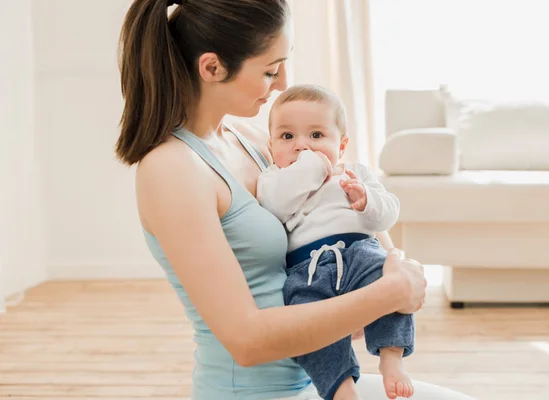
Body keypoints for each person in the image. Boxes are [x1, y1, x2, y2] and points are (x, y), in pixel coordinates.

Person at [116, 1, 475, 399]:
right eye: (270, 69)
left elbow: (336, 203)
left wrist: (385, 269)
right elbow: (247, 341)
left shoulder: (249, 138)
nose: (283, 82)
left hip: (316, 383)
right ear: (212, 68)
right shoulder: (172, 170)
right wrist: (386, 294)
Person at [257, 84, 415, 400]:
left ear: (341, 145)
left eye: (316, 136)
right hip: (307, 267)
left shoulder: (354, 173)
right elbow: (274, 204)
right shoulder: (274, 178)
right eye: (287, 137)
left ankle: (391, 357)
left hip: (359, 250)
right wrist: (311, 167)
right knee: (307, 324)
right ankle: (341, 386)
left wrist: (367, 200)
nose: (302, 146)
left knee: (389, 278)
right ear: (271, 144)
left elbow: (388, 214)